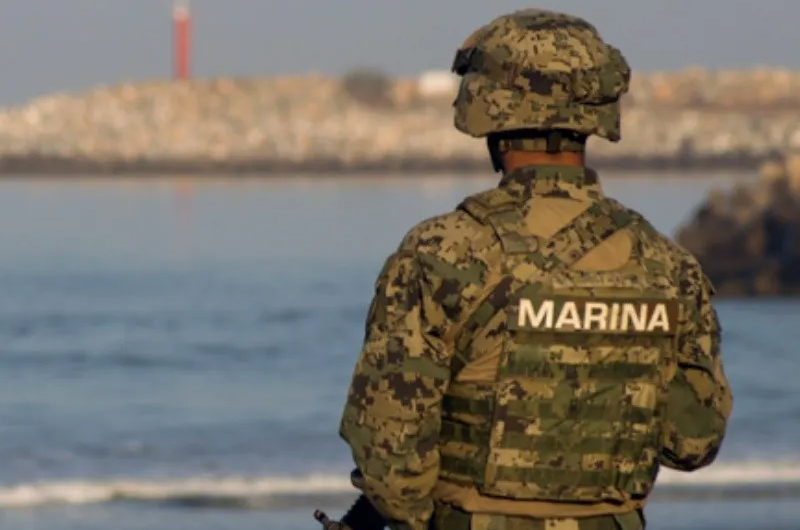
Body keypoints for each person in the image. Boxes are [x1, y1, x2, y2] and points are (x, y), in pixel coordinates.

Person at [337, 8, 733, 530]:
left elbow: (390, 456)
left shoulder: (442, 252)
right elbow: (693, 440)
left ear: (488, 113)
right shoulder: (669, 265)